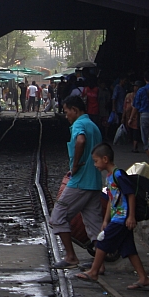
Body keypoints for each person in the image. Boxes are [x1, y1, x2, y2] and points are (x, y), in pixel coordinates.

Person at [74, 143, 149, 290]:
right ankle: (143, 278)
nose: (95, 164)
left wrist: (131, 216)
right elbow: (112, 198)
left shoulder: (118, 174)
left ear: (105, 159)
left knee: (102, 241)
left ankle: (94, 272)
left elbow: (131, 195)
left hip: (122, 218)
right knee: (128, 248)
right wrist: (106, 219)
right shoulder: (110, 177)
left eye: (96, 161)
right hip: (117, 217)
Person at [49, 95, 104, 269]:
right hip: (94, 181)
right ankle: (99, 264)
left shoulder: (79, 124)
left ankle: (71, 256)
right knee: (94, 223)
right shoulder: (93, 125)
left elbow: (80, 140)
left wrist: (74, 166)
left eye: (67, 112)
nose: (66, 116)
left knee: (57, 216)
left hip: (80, 181)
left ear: (75, 110)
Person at [133, 73, 149, 153]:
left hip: (144, 114)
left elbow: (136, 106)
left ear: (145, 79)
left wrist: (131, 118)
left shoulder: (141, 90)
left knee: (145, 137)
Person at [122, 84, 142, 153]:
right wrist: (123, 117)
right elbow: (125, 106)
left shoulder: (139, 95)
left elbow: (135, 107)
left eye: (137, 86)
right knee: (129, 129)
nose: (135, 88)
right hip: (128, 115)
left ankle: (135, 146)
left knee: (135, 131)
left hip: (136, 116)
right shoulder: (128, 95)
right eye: (135, 86)